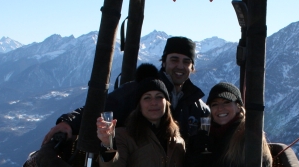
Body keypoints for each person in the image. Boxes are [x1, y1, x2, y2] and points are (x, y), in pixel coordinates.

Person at [42, 36, 209, 144]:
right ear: (164, 62)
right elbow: (99, 110)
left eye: (186, 61)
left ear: (192, 66)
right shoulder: (137, 90)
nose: (180, 66)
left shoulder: (198, 107)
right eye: (174, 60)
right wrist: (68, 122)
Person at [184, 82, 273, 167]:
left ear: (238, 106)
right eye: (215, 104)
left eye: (226, 102)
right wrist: (195, 155)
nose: (221, 108)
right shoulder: (205, 136)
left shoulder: (250, 137)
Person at [96, 78, 185, 167]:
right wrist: (108, 145)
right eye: (147, 98)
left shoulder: (178, 141)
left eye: (159, 96)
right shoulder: (124, 136)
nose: (154, 102)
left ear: (167, 102)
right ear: (139, 105)